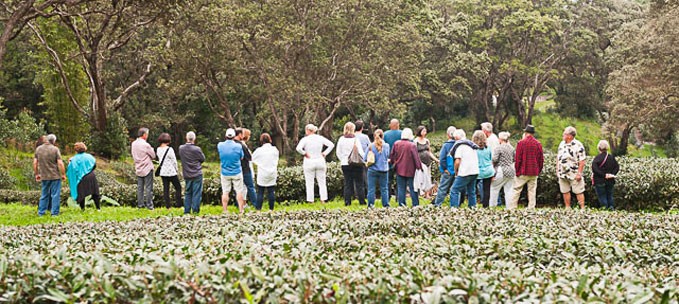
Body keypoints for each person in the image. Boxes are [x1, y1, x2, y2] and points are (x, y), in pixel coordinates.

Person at [296, 124, 335, 203]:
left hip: (309, 161)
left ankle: (311, 200)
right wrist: (324, 153)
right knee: (322, 181)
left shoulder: (305, 139)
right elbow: (331, 144)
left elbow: (298, 148)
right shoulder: (320, 138)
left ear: (307, 130)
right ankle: (323, 199)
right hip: (320, 160)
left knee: (309, 182)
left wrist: (304, 153)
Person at [508, 125, 544, 210]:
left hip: (523, 171)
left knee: (517, 189)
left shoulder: (521, 143)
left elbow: (518, 159)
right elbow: (541, 159)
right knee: (532, 191)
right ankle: (531, 207)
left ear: (526, 132)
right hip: (534, 172)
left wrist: (517, 171)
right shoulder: (538, 144)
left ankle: (512, 208)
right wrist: (538, 170)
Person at [33, 134, 66, 216]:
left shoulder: (38, 149)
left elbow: (35, 163)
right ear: (53, 141)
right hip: (55, 176)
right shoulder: (55, 149)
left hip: (44, 176)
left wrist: (37, 174)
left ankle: (41, 212)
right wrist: (63, 174)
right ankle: (54, 213)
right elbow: (60, 163)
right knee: (55, 195)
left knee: (44, 194)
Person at [389, 128, 422, 207]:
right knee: (413, 188)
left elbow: (392, 155)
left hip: (399, 169)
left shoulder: (396, 143)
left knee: (401, 188)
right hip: (411, 170)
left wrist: (394, 163)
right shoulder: (412, 145)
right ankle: (415, 204)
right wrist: (419, 167)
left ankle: (402, 204)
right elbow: (416, 158)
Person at [336, 122, 366, 206]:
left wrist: (343, 159)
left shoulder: (341, 139)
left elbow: (338, 152)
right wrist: (364, 160)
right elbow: (360, 152)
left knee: (347, 183)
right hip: (356, 163)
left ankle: (347, 202)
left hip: (345, 163)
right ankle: (362, 201)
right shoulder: (355, 139)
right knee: (359, 183)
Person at [557, 126, 587, 209]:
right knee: (565, 191)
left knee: (578, 191)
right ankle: (567, 207)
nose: (563, 134)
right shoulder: (561, 144)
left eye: (565, 133)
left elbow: (582, 160)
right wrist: (557, 170)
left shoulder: (578, 145)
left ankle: (582, 208)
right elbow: (558, 158)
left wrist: (579, 173)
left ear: (570, 136)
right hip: (562, 173)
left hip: (574, 172)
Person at [218, 128, 246, 214]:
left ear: (225, 136)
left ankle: (225, 210)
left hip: (225, 172)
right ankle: (241, 210)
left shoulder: (220, 145)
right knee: (239, 191)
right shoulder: (238, 146)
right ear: (234, 136)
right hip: (237, 172)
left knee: (225, 192)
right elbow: (242, 157)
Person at [449, 129, 479, 208]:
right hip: (475, 171)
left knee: (454, 190)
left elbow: (457, 161)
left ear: (458, 137)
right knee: (471, 191)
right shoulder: (472, 145)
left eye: (455, 138)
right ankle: (473, 208)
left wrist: (456, 171)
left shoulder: (460, 147)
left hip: (465, 172)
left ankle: (454, 209)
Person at [66, 142, 101, 210]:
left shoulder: (73, 159)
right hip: (91, 176)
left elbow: (72, 169)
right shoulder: (89, 157)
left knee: (81, 193)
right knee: (95, 192)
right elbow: (94, 165)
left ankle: (83, 209)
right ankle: (98, 208)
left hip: (81, 178)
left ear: (76, 150)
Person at [178, 131, 205, 214]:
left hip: (187, 174)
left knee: (188, 193)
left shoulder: (181, 148)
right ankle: (195, 210)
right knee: (196, 193)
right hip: (197, 173)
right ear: (194, 139)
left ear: (186, 138)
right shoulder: (197, 149)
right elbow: (202, 159)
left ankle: (187, 210)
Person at [252, 133, 279, 211]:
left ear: (261, 140)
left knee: (260, 191)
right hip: (272, 172)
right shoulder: (274, 149)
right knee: (271, 191)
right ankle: (271, 209)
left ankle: (258, 209)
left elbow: (252, 158)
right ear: (270, 139)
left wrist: (260, 163)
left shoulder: (259, 150)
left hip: (262, 173)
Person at [364, 129, 390, 208]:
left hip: (372, 170)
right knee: (384, 189)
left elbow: (365, 158)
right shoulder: (386, 146)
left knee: (371, 189)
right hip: (384, 170)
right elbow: (387, 156)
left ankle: (371, 205)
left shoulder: (371, 146)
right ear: (383, 136)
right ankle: (385, 205)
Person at [131, 127, 156, 210]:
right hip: (147, 168)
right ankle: (149, 205)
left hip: (138, 167)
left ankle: (140, 205)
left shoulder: (133, 144)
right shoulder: (146, 145)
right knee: (149, 188)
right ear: (144, 135)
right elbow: (153, 155)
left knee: (140, 188)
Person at [591, 140, 620, 210]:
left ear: (599, 148)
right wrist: (611, 174)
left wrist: (603, 175)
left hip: (599, 181)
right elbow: (617, 167)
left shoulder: (597, 158)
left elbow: (594, 168)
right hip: (610, 180)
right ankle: (611, 209)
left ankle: (605, 210)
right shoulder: (611, 157)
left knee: (602, 197)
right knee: (610, 196)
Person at [489, 132, 515, 208]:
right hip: (511, 170)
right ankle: (509, 208)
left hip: (501, 170)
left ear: (500, 139)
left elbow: (494, 159)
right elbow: (514, 159)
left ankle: (492, 207)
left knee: (494, 189)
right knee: (509, 190)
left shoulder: (499, 148)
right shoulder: (511, 147)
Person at [157, 133, 182, 209]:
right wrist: (176, 169)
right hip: (171, 171)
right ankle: (178, 204)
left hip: (163, 172)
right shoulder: (170, 149)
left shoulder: (158, 149)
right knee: (178, 187)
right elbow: (174, 161)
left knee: (166, 189)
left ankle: (168, 206)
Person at [433, 126, 457, 207]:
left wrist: (444, 168)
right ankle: (455, 206)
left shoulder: (446, 145)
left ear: (448, 135)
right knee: (456, 189)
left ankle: (437, 205)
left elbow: (442, 158)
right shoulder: (458, 144)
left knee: (442, 188)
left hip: (448, 170)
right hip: (457, 171)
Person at [235, 128, 258, 208]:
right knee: (250, 187)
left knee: (239, 188)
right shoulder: (242, 145)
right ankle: (256, 204)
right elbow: (249, 157)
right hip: (245, 169)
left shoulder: (233, 144)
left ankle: (240, 204)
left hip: (236, 169)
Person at [414, 126, 438, 199]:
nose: (425, 132)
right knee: (421, 178)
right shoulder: (416, 141)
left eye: (425, 131)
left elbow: (429, 152)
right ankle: (421, 192)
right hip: (420, 162)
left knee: (428, 177)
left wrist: (436, 160)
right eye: (423, 131)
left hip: (428, 162)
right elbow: (414, 153)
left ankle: (427, 194)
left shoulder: (427, 141)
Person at [473, 130, 495, 208]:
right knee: (487, 189)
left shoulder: (474, 149)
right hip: (488, 171)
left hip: (477, 171)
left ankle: (473, 204)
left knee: (473, 189)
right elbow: (490, 159)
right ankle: (486, 206)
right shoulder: (488, 148)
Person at [383, 119, 402, 195]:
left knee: (388, 179)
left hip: (389, 160)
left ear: (390, 125)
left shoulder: (385, 134)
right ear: (398, 125)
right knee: (400, 180)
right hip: (400, 160)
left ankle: (388, 196)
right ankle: (399, 196)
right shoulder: (402, 133)